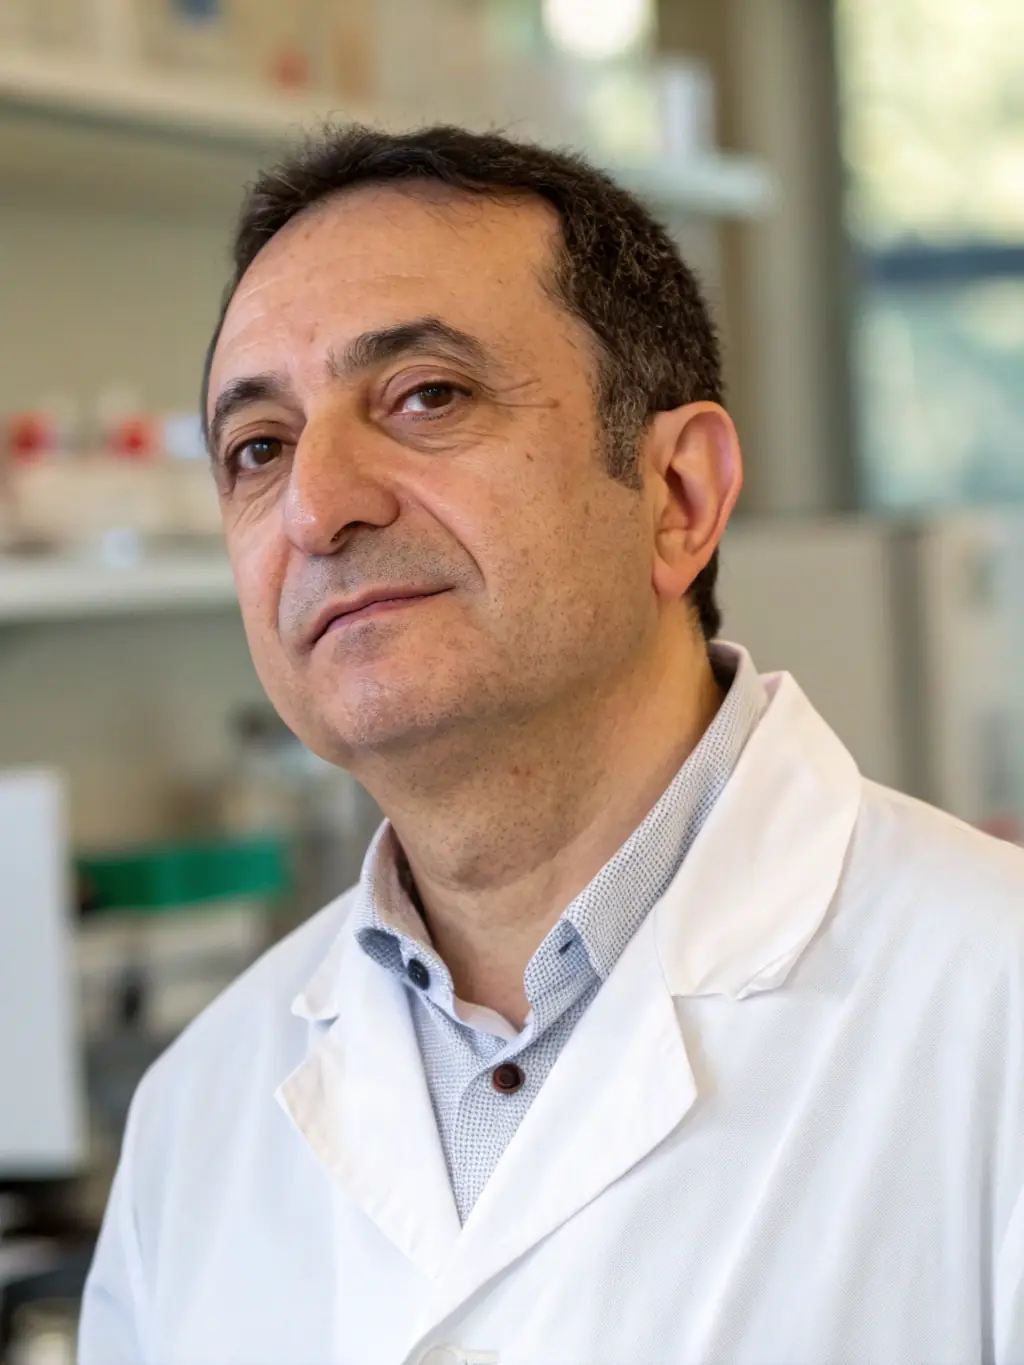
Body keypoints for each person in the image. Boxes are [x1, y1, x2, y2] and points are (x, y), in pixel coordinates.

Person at [80, 125, 1024, 1365]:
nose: (318, 505)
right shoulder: (195, 1115)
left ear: (678, 495)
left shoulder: (992, 1005)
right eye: (259, 448)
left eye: (426, 395)